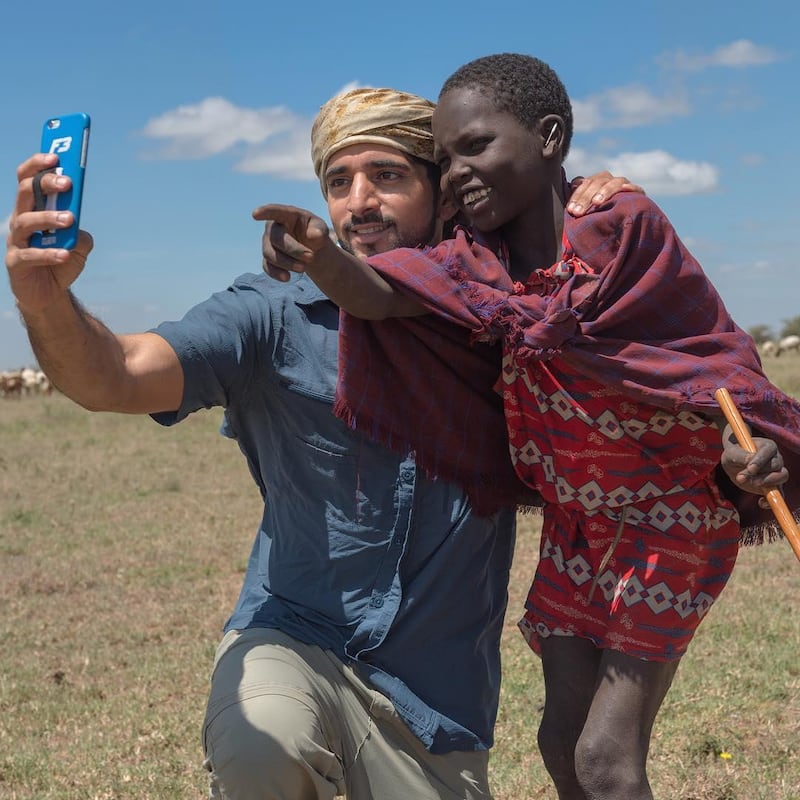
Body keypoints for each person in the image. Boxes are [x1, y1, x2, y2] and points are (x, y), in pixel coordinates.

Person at [6, 87, 642, 800]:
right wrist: (45, 302)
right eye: (339, 182)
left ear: (444, 194)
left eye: (389, 176)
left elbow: (638, 388)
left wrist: (592, 196)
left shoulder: (507, 325)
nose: (359, 202)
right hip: (295, 642)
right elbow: (114, 376)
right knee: (262, 748)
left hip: (434, 710)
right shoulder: (276, 316)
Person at [256, 57, 800, 800]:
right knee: (558, 741)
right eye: (444, 158)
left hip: (670, 518)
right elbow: (380, 296)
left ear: (550, 136)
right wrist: (321, 255)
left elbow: (705, 357)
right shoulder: (474, 260)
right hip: (578, 523)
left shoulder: (618, 226)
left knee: (606, 760)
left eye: (475, 148)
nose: (456, 173)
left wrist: (744, 452)